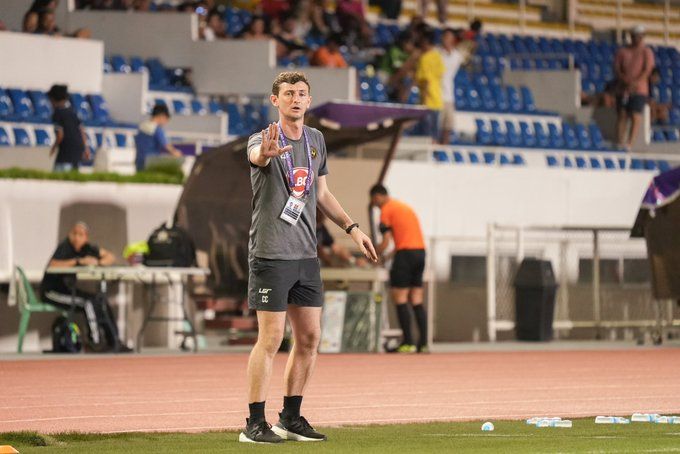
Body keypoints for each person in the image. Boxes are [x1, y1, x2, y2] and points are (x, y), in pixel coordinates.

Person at [241, 71, 377, 444]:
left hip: (305, 254)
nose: (296, 99)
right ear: (275, 100)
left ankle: (291, 417)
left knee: (310, 338)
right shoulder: (264, 138)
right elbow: (257, 157)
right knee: (270, 339)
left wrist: (353, 229)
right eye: (288, 94)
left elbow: (322, 194)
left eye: (302, 94)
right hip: (271, 253)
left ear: (308, 100)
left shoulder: (316, 140)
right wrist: (264, 156)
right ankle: (254, 423)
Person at [40, 222, 130, 352]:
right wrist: (78, 261)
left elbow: (110, 257)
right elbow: (53, 265)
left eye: (80, 235)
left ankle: (113, 340)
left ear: (86, 237)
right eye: (74, 234)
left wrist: (98, 262)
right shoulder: (65, 247)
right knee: (87, 303)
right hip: (51, 292)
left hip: (67, 290)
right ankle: (95, 341)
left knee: (100, 300)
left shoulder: (87, 248)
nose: (76, 237)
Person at [370, 184, 428, 354]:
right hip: (420, 253)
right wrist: (386, 258)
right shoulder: (404, 207)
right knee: (416, 299)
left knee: (400, 297)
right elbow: (402, 241)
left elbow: (386, 242)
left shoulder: (386, 210)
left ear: (379, 196)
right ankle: (423, 344)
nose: (375, 205)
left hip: (405, 256)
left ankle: (408, 343)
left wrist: (372, 254)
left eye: (374, 201)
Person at [614, 25, 655, 150]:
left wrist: (635, 83)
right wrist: (624, 80)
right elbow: (616, 68)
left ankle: (630, 143)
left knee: (635, 115)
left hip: (639, 90)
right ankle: (620, 141)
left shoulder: (646, 52)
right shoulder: (622, 52)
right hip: (623, 88)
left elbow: (647, 70)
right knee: (622, 114)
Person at [47, 84, 89, 172]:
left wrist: (53, 148)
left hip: (66, 149)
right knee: (73, 172)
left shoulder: (57, 113)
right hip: (78, 147)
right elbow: (82, 131)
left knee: (60, 172)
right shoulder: (72, 112)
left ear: (52, 99)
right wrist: (86, 148)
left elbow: (60, 135)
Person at [415, 27, 444, 142]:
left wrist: (424, 100)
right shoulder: (437, 56)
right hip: (437, 99)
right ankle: (434, 155)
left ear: (426, 42)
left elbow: (426, 80)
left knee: (426, 135)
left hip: (428, 100)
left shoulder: (424, 58)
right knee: (434, 133)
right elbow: (440, 74)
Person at [134, 104, 183, 172]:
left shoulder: (141, 127)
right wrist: (176, 153)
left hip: (139, 161)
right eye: (166, 120)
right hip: (151, 162)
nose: (165, 123)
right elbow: (165, 145)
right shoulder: (156, 129)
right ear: (162, 116)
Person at [438, 28, 464, 144]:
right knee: (435, 127)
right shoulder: (436, 53)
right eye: (444, 37)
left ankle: (443, 152)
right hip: (436, 95)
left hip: (449, 96)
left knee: (447, 127)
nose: (446, 40)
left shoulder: (457, 56)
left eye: (448, 37)